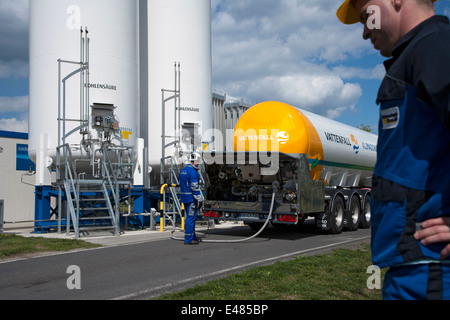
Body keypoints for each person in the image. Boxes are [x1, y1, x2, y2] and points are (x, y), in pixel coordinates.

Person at [337, 0, 450, 299]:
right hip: (414, 267)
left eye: (366, 17)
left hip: (432, 269)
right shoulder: (419, 55)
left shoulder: (434, 47)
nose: (364, 32)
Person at [179, 153, 203, 245]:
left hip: (184, 197)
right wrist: (200, 199)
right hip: (191, 199)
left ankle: (192, 236)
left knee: (189, 217)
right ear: (196, 161)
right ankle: (188, 238)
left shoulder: (183, 170)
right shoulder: (193, 172)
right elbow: (195, 187)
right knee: (191, 218)